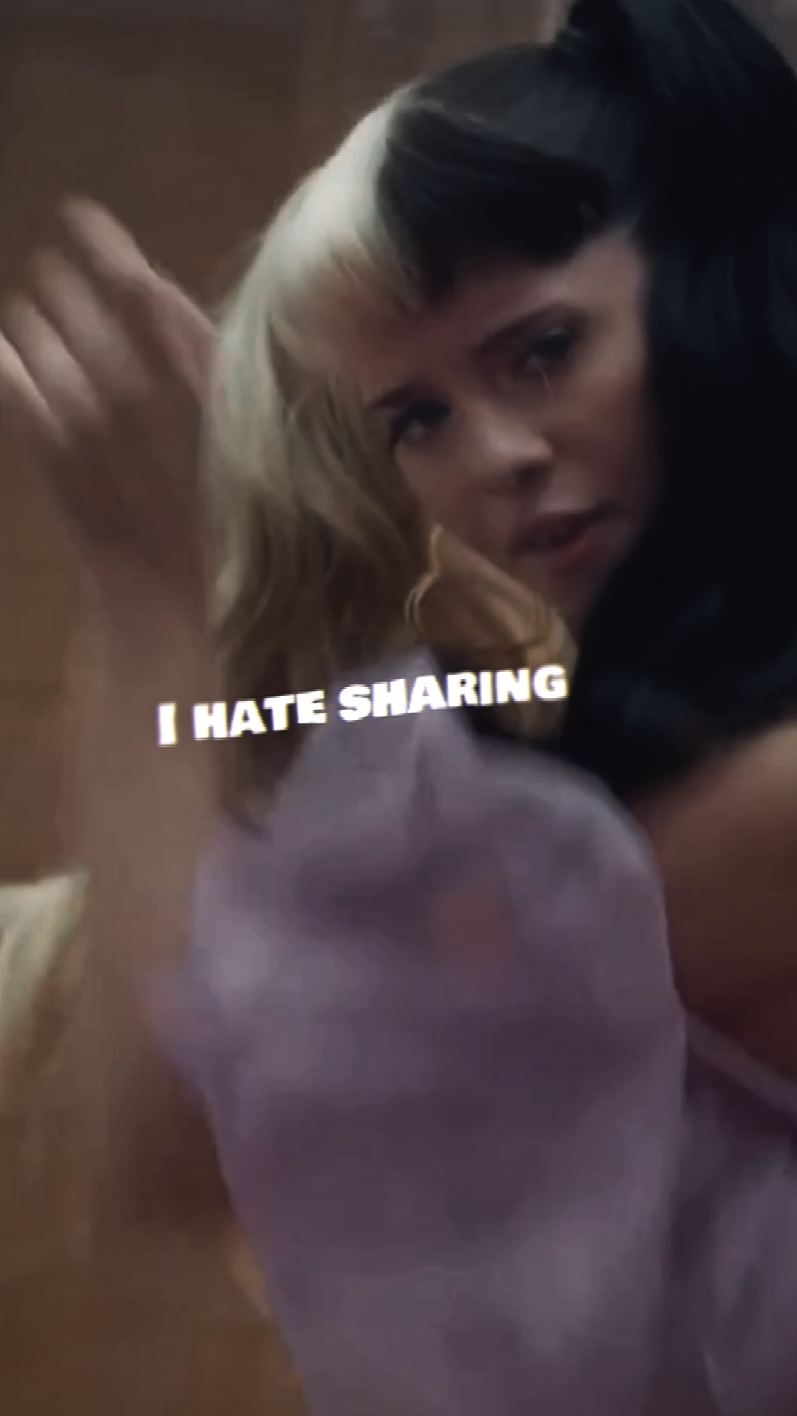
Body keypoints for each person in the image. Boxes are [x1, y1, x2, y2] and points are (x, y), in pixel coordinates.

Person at [3, 0, 797, 1409]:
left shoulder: (741, 797)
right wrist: (165, 628)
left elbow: (187, 1129)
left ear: (704, 293)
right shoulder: (558, 697)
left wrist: (151, 598)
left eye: (542, 351)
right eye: (416, 420)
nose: (497, 454)